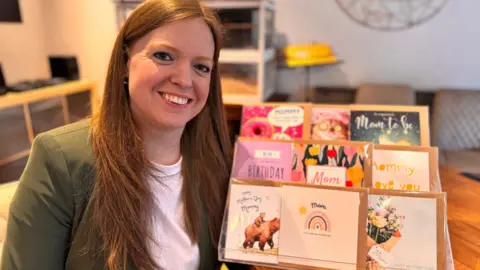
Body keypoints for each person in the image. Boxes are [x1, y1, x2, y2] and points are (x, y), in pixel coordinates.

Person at [0, 0, 248, 269]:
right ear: (125, 62)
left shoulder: (214, 161)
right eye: (164, 56)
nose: (184, 80)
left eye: (201, 67)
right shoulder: (59, 159)